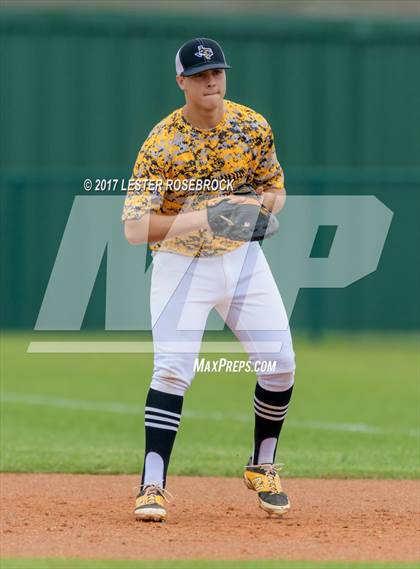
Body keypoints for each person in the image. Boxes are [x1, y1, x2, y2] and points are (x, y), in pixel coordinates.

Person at [122, 37, 296, 522]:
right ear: (181, 82)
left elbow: (275, 191)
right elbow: (135, 228)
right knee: (173, 371)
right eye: (199, 75)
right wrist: (208, 216)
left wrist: (256, 207)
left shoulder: (251, 125)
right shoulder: (163, 143)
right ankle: (152, 483)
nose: (210, 80)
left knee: (281, 365)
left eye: (217, 71)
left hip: (241, 260)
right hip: (182, 264)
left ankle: (263, 466)